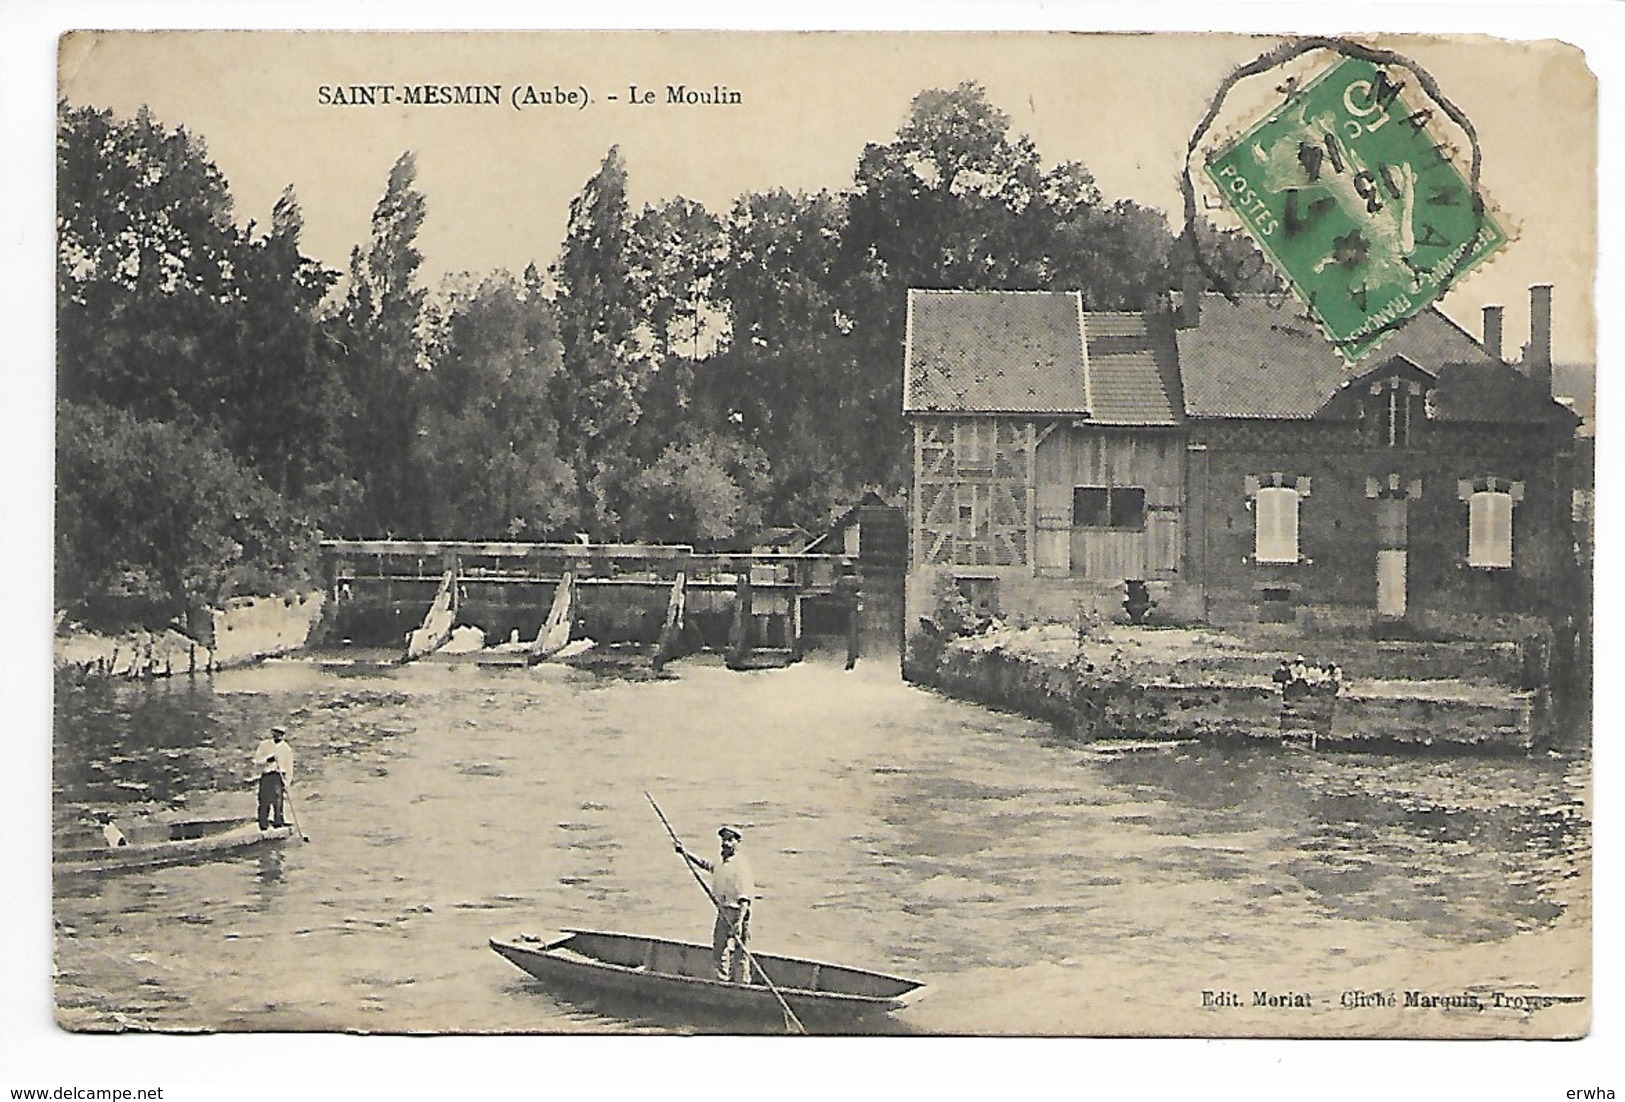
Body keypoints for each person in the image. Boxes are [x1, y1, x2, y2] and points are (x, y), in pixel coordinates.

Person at [676, 825, 756, 983]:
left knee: (740, 953)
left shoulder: (740, 866)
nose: (726, 843)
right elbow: (705, 865)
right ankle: (722, 982)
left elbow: (745, 898)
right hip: (723, 911)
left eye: (730, 840)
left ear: (737, 843)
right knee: (719, 951)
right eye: (724, 840)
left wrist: (739, 923)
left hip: (738, 911)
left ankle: (742, 984)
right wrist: (685, 853)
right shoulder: (721, 863)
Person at [252, 725, 295, 831]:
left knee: (278, 801)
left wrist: (287, 782)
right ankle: (263, 824)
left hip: (278, 776)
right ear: (272, 733)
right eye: (276, 733)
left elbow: (289, 767)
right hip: (267, 775)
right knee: (264, 800)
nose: (279, 735)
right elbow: (256, 761)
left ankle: (278, 823)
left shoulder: (286, 749)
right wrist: (267, 760)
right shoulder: (264, 745)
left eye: (281, 733)